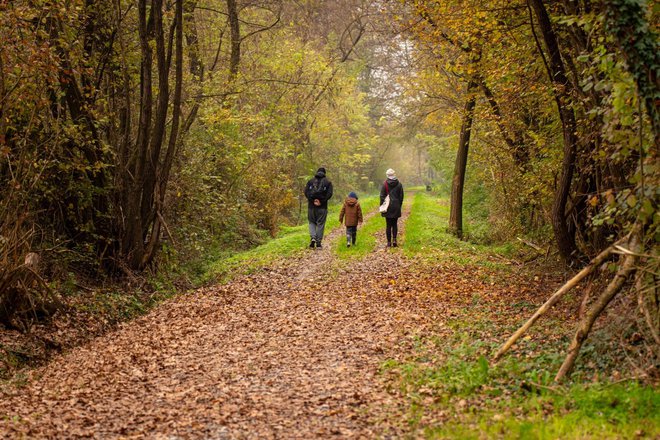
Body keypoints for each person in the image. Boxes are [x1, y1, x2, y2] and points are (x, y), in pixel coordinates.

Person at [304, 167, 333, 249]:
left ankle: (313, 238)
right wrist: (321, 201)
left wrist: (312, 201)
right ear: (324, 173)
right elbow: (329, 194)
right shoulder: (328, 182)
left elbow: (306, 192)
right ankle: (318, 243)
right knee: (320, 224)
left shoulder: (310, 181)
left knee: (311, 222)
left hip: (311, 207)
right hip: (322, 207)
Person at [380, 168, 404, 247]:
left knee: (388, 225)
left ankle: (389, 242)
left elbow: (382, 196)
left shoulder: (385, 184)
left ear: (387, 175)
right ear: (394, 174)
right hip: (396, 206)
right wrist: (399, 205)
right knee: (394, 224)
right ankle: (394, 240)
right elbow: (401, 197)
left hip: (388, 207)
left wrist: (382, 205)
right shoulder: (399, 184)